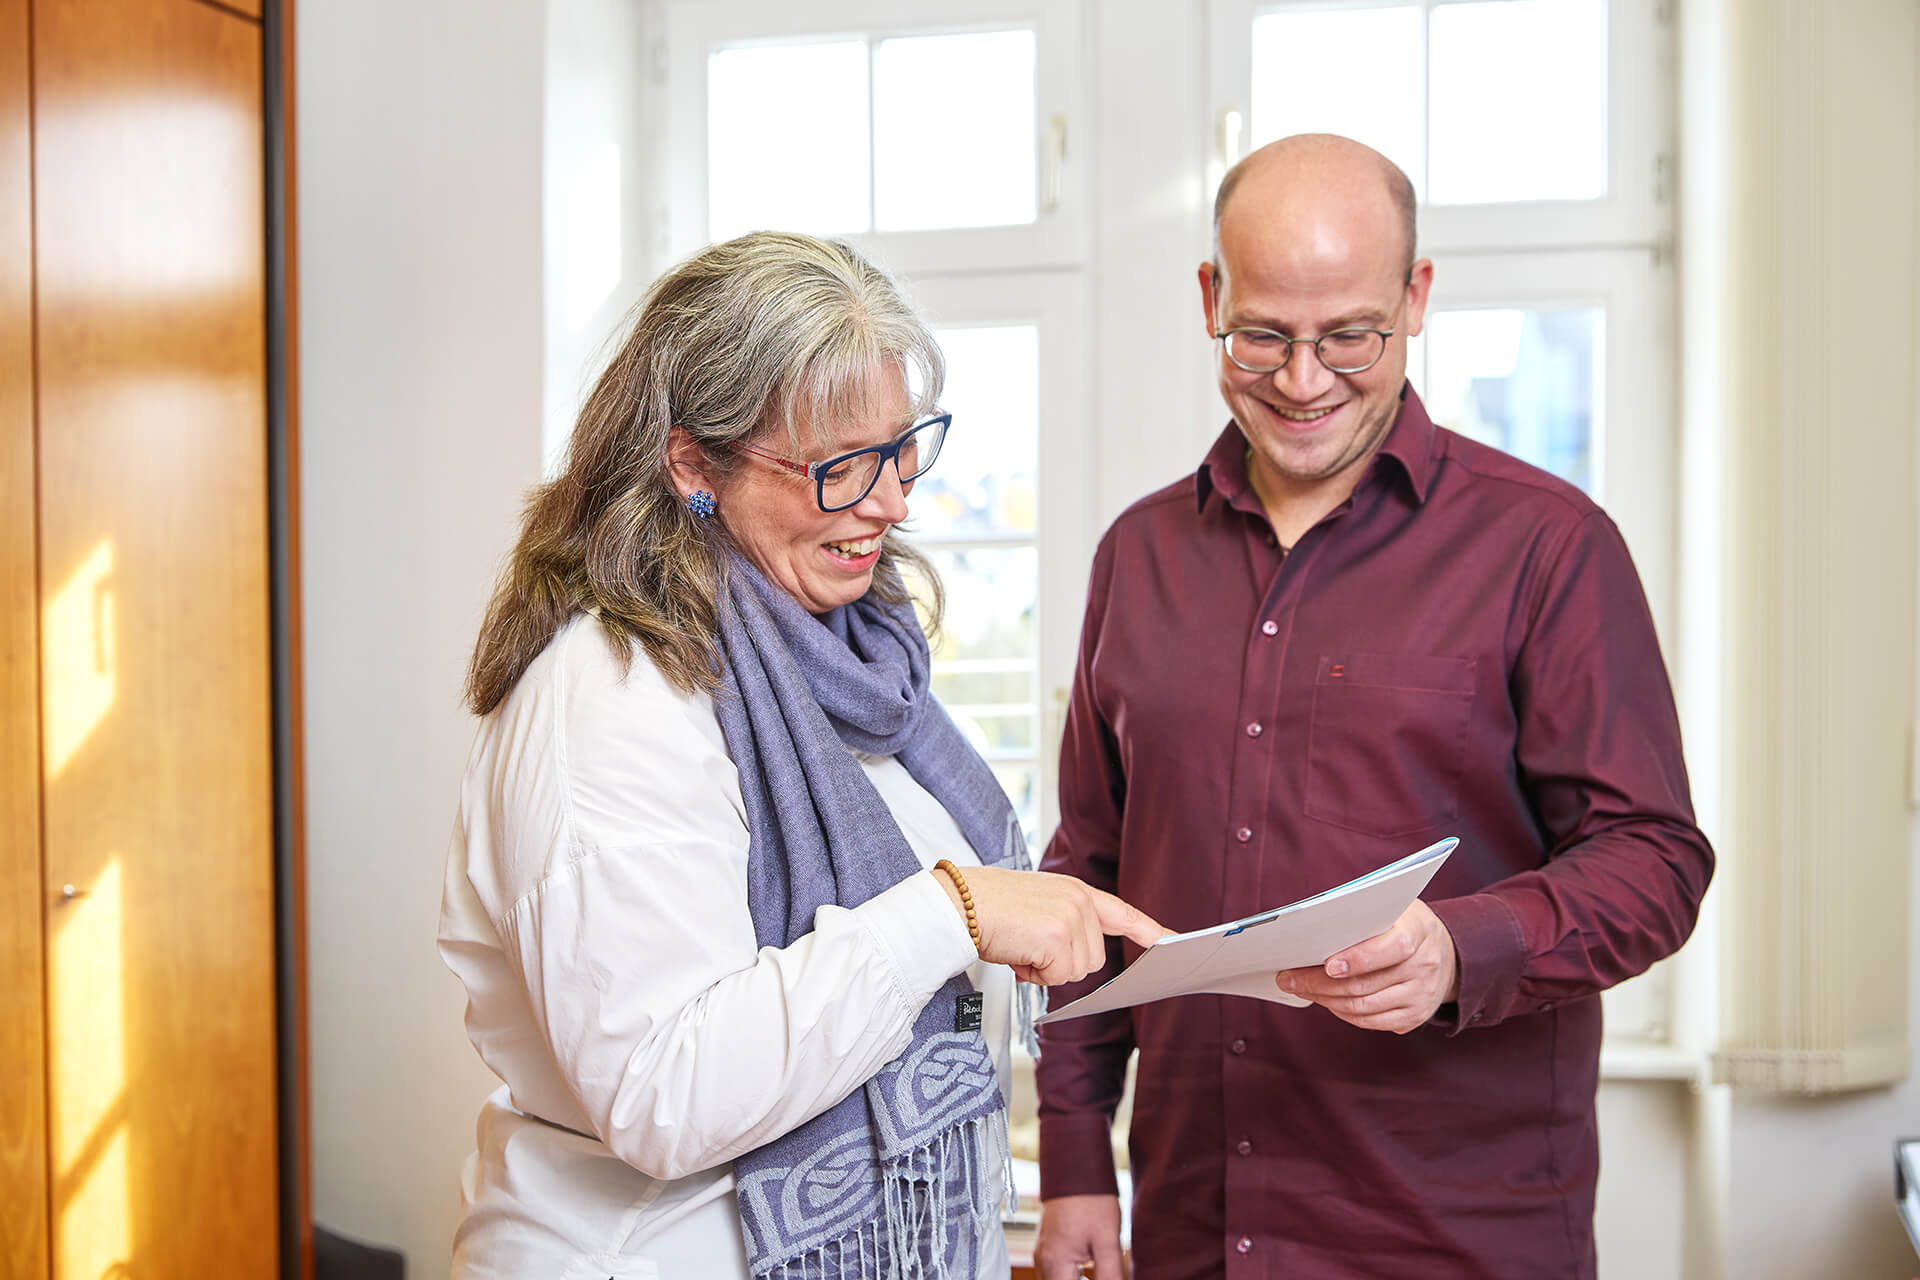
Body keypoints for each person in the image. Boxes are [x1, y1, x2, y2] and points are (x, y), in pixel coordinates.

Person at [1032, 135, 1715, 1280]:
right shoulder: (1135, 556)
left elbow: (1656, 859)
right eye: (1262, 336)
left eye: (1350, 335)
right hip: (1194, 1232)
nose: (1304, 380)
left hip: (1451, 1238)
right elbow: (1087, 874)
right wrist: (1074, 1156)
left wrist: (1459, 948)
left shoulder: (1548, 547)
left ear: (1418, 297)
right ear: (1211, 299)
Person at [438, 230, 1164, 1280]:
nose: (892, 501)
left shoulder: (849, 660)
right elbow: (664, 1093)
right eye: (840, 466)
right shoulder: (611, 696)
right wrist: (956, 909)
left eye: (902, 447)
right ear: (693, 462)